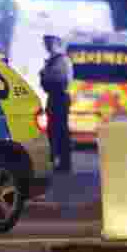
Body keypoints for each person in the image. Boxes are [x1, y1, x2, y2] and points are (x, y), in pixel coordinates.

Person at [40, 34, 73, 173]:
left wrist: (44, 75)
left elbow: (57, 78)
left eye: (48, 43)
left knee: (58, 131)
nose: (46, 46)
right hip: (55, 97)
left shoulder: (60, 59)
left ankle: (62, 163)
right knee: (55, 131)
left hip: (58, 98)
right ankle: (57, 161)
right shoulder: (56, 59)